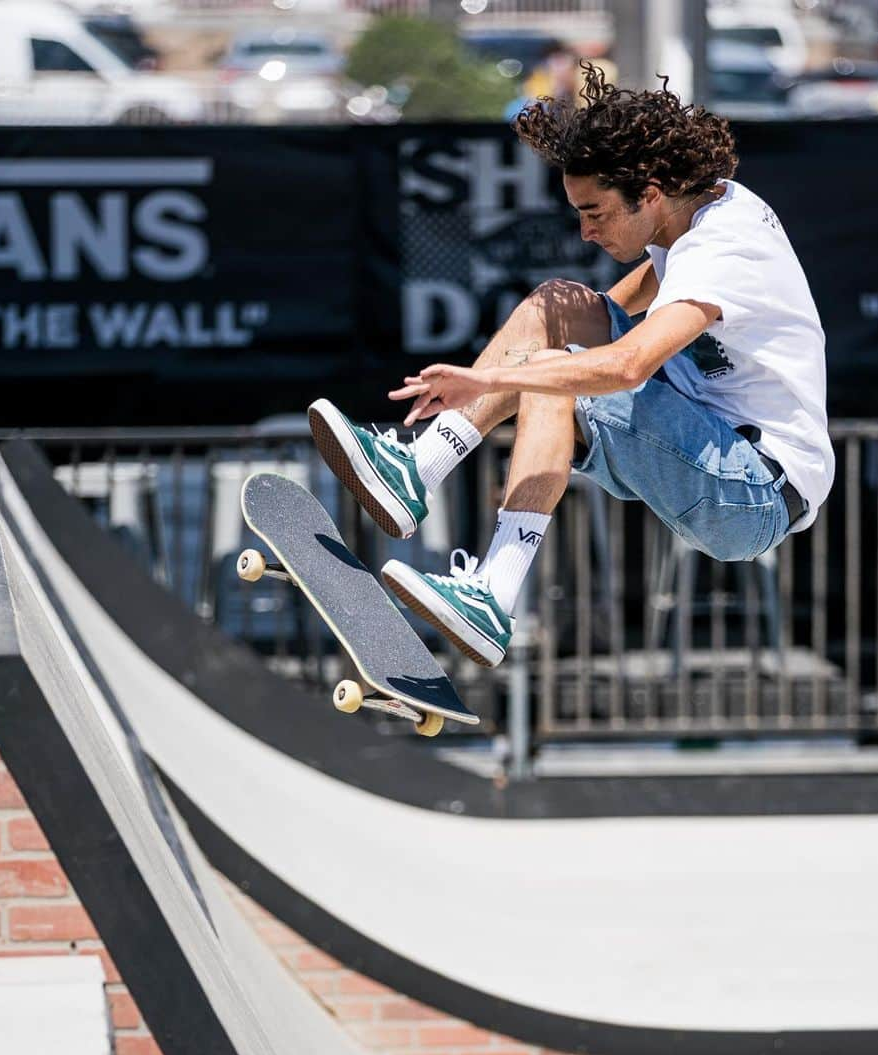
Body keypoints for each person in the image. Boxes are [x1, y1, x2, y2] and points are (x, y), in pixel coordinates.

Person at [308, 65, 834, 669]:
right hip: (709, 444)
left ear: (651, 194)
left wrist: (494, 379)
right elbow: (659, 272)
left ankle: (493, 595)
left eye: (596, 213)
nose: (585, 232)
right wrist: (593, 317)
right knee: (553, 306)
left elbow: (630, 365)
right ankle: (419, 470)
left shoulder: (726, 249)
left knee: (559, 375)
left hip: (755, 489)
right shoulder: (696, 206)